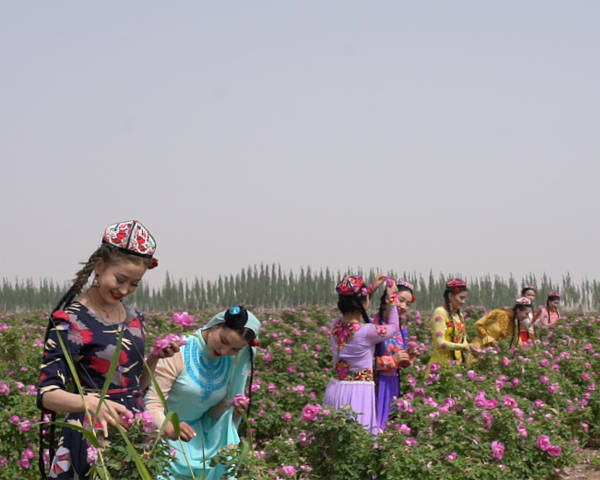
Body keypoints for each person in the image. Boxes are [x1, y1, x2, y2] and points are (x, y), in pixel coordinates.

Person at [37, 220, 178, 479]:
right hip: (91, 435)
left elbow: (138, 386)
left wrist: (156, 357)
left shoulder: (134, 318)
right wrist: (90, 403)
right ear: (99, 266)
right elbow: (46, 394)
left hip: (134, 431)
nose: (125, 290)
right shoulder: (70, 320)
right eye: (121, 279)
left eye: (134, 284)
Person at [145, 305, 261, 480]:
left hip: (199, 442)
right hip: (162, 439)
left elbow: (212, 411)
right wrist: (168, 427)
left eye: (235, 349)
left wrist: (233, 412)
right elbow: (152, 404)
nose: (225, 351)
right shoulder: (179, 351)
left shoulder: (229, 362)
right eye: (224, 341)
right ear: (215, 325)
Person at [323, 274, 399, 434]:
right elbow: (393, 326)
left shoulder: (335, 325)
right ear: (363, 301)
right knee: (358, 439)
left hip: (335, 387)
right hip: (358, 392)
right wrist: (392, 298)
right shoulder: (367, 332)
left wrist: (370, 289)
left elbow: (358, 307)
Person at [372, 279, 417, 431]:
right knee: (374, 426)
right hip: (377, 384)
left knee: (389, 426)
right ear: (389, 298)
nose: (404, 307)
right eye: (401, 300)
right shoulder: (374, 326)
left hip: (393, 383)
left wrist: (408, 357)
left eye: (408, 304)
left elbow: (400, 363)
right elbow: (365, 364)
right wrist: (391, 360)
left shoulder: (401, 330)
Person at [427, 278, 481, 372]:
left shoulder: (459, 315)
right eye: (461, 298)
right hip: (441, 368)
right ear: (450, 296)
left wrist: (470, 347)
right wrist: (463, 347)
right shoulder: (440, 313)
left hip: (457, 367)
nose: (463, 301)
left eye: (465, 298)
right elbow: (441, 343)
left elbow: (462, 341)